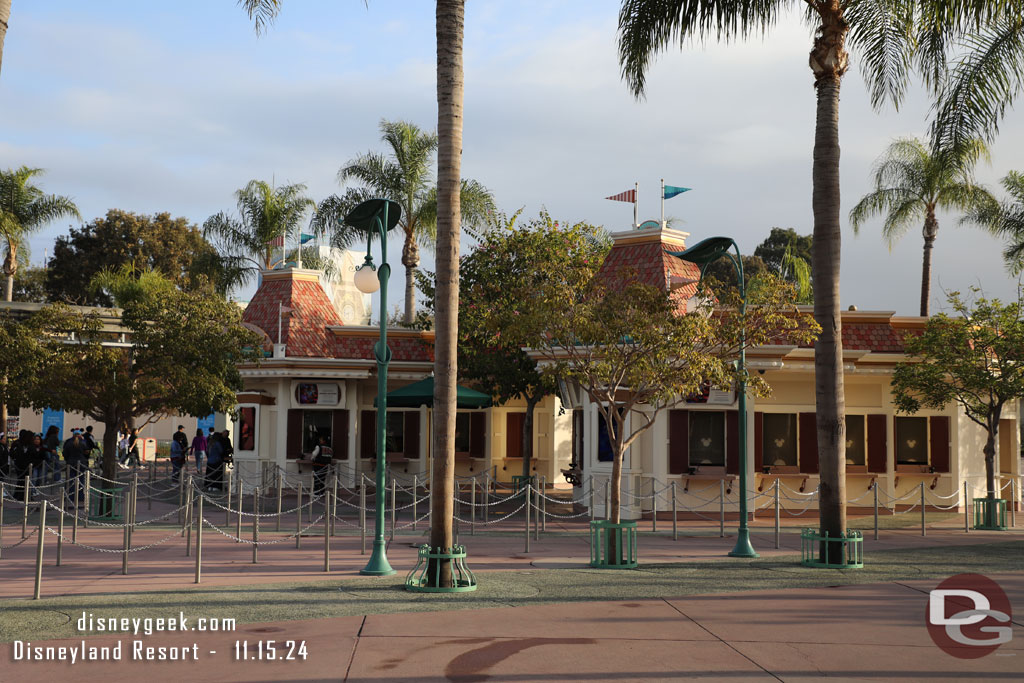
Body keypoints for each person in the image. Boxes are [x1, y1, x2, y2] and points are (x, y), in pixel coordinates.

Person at [62, 429, 88, 502]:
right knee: (81, 480)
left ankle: (70, 496)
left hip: (71, 462)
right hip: (81, 462)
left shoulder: (68, 442)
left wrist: (67, 459)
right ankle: (80, 496)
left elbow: (65, 453)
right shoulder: (83, 442)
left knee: (70, 480)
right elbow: (87, 452)